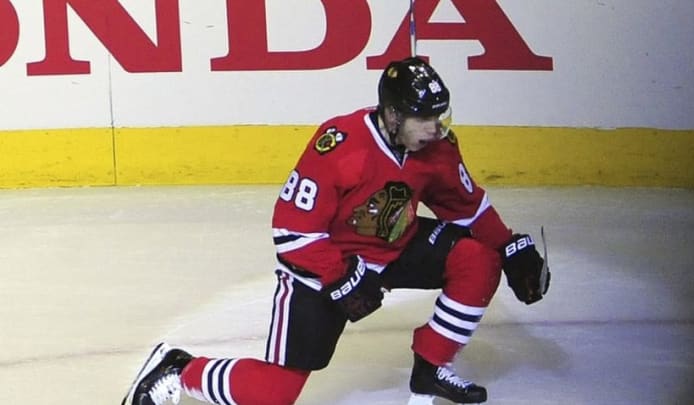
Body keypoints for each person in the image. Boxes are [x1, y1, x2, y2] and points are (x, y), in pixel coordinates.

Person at [121, 57, 550, 405]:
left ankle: (432, 367)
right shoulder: (340, 144)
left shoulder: (436, 146)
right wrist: (341, 278)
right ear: (393, 114)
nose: (437, 129)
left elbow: (465, 205)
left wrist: (510, 244)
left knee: (478, 258)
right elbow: (292, 230)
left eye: (441, 116)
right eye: (425, 119)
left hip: (394, 247)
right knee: (273, 394)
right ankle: (179, 367)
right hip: (322, 265)